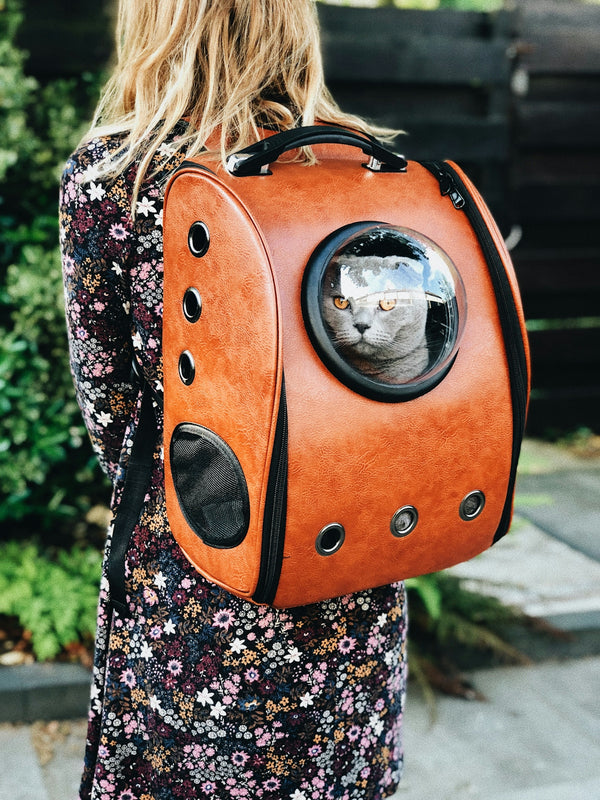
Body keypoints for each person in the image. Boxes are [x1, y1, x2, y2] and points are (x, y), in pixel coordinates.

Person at [59, 2, 407, 798]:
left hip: (198, 577)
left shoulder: (118, 180)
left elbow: (115, 421)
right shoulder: (363, 173)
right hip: (350, 560)